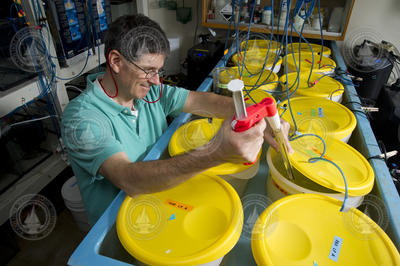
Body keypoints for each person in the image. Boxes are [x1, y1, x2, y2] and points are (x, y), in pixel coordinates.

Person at [61, 14, 292, 226]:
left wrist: (256, 112)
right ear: (116, 61)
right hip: (120, 226)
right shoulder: (82, 119)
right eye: (149, 70)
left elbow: (202, 102)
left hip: (162, 202)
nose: (155, 81)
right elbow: (128, 178)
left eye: (158, 71)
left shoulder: (149, 92)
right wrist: (215, 153)